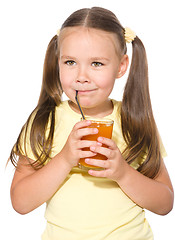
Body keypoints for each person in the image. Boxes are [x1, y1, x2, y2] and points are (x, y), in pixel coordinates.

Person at [9, 7, 174, 240]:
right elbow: (20, 202)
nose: (81, 76)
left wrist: (123, 173)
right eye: (70, 62)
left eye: (96, 63)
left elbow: (165, 202)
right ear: (58, 62)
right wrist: (65, 158)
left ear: (121, 66)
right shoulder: (45, 121)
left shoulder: (133, 121)